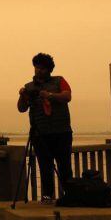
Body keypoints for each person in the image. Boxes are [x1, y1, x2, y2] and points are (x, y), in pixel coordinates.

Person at [16, 53, 73, 204]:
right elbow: (21, 108)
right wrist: (22, 95)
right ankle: (47, 197)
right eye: (36, 67)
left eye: (42, 68)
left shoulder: (59, 81)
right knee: (45, 167)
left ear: (49, 69)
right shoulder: (29, 87)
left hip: (62, 132)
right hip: (40, 134)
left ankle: (71, 197)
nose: (38, 70)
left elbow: (67, 96)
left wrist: (49, 95)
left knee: (64, 166)